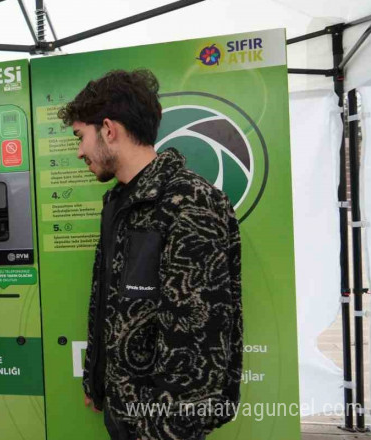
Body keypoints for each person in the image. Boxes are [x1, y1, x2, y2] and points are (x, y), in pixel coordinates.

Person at [59, 70, 243, 440]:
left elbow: (198, 336)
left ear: (109, 130)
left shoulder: (191, 202)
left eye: (81, 137)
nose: (79, 151)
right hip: (123, 409)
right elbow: (110, 302)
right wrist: (98, 381)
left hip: (161, 426)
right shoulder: (118, 201)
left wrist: (161, 428)